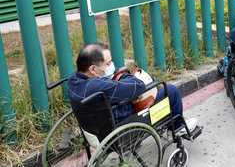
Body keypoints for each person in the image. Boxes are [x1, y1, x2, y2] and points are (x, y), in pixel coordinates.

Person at [68, 43, 196, 131]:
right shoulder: (98, 86)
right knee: (170, 90)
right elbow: (138, 86)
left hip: (96, 130)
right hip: (123, 126)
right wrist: (124, 77)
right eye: (108, 63)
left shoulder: (74, 80)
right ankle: (179, 127)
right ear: (93, 69)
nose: (112, 65)